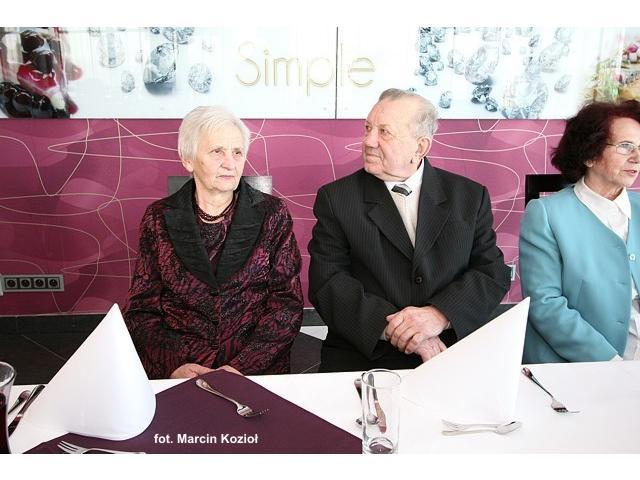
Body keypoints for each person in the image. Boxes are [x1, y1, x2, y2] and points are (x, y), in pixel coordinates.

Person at [308, 88, 511, 372]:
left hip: (449, 353)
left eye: (384, 132)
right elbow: (328, 283)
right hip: (365, 358)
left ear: (420, 147)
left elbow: (492, 272)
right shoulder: (336, 198)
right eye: (368, 128)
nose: (368, 141)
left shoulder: (469, 196)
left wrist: (440, 314)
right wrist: (403, 331)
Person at [124, 105, 303, 379]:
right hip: (183, 367)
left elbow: (287, 305)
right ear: (188, 159)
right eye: (217, 151)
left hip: (252, 370)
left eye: (237, 152)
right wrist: (175, 365)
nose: (230, 163)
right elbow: (141, 308)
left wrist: (241, 368)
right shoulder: (158, 217)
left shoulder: (272, 214)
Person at [520, 100, 640, 363]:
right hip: (580, 364)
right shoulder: (546, 214)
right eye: (625, 146)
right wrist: (610, 363)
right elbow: (545, 303)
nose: (636, 157)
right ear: (589, 154)